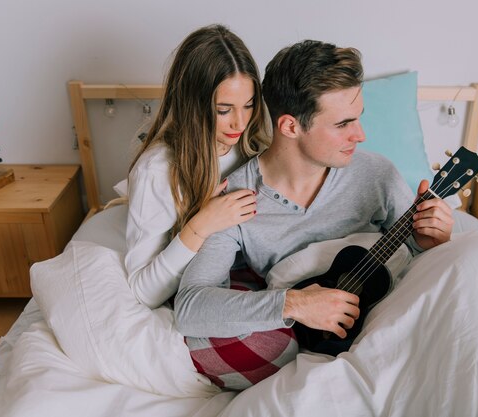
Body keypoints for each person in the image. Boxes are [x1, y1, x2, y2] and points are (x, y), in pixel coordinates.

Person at [174, 40, 453, 390]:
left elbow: (416, 257)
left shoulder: (378, 174)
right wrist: (294, 303)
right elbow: (190, 307)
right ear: (290, 126)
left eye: (359, 118)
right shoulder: (236, 198)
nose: (361, 135)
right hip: (317, 343)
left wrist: (431, 242)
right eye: (343, 124)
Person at [125, 24, 271, 308]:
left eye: (249, 105)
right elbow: (143, 292)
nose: (240, 123)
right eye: (223, 110)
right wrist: (202, 225)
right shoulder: (157, 171)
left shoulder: (254, 144)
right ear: (192, 105)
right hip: (201, 294)